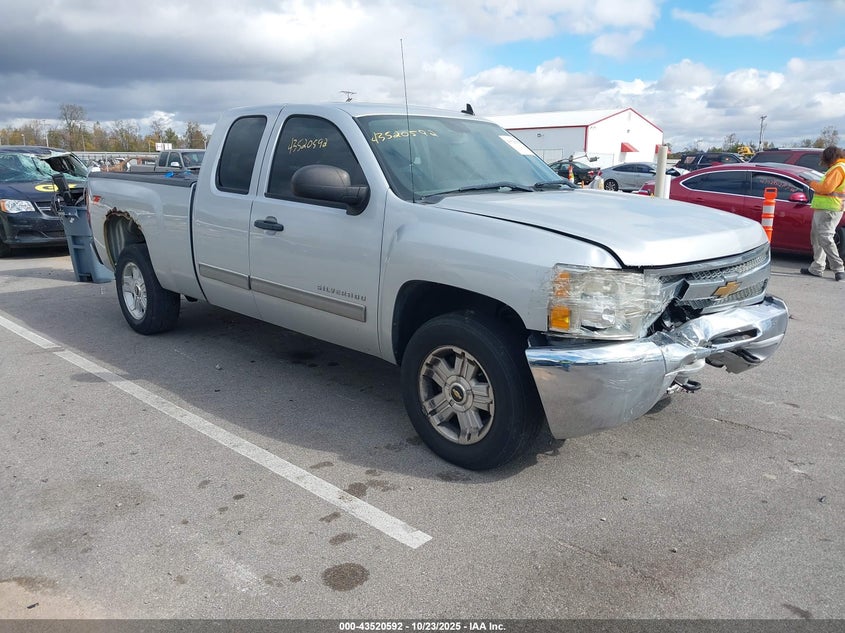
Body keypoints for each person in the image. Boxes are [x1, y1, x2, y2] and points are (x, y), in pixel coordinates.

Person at [801, 145, 845, 281]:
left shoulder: (838, 169)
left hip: (830, 209)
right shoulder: (836, 168)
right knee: (816, 237)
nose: (822, 160)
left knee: (825, 238)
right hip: (825, 208)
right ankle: (817, 267)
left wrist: (812, 183)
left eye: (824, 158)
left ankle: (838, 268)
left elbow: (826, 188)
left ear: (830, 157)